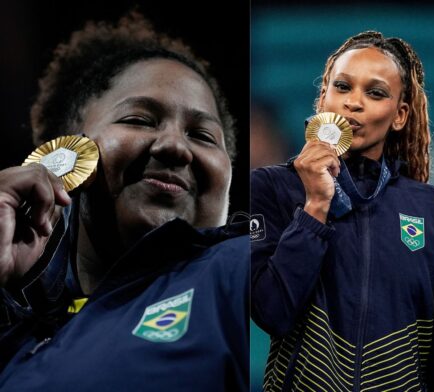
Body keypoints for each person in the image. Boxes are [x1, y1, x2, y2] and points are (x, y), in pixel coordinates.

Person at [0, 12, 248, 391]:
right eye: (140, 120)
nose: (175, 146)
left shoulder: (246, 270)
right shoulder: (14, 337)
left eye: (202, 135)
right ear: (63, 156)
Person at [250, 31, 434, 391]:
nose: (353, 103)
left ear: (400, 115)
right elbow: (272, 312)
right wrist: (314, 207)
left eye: (375, 93)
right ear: (322, 98)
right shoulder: (270, 188)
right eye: (342, 87)